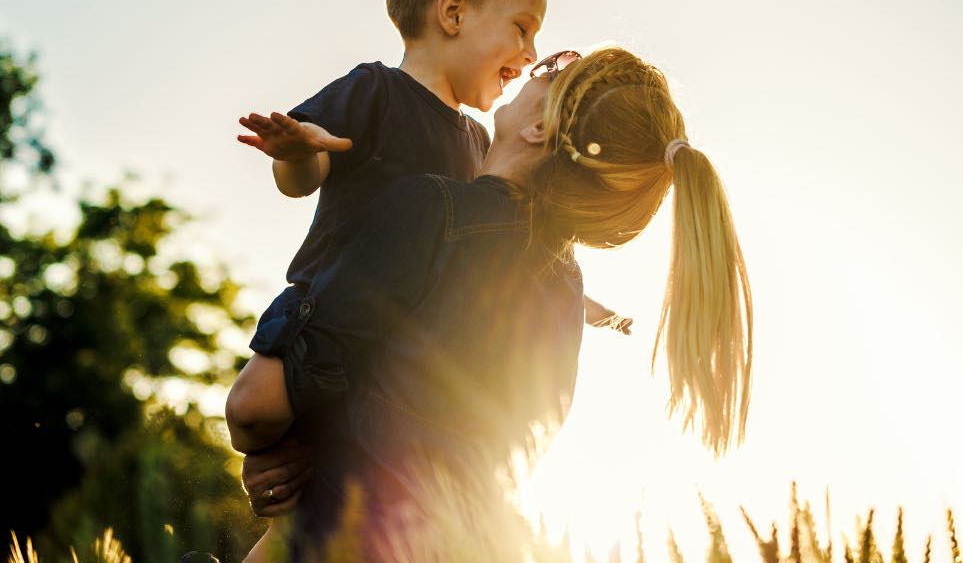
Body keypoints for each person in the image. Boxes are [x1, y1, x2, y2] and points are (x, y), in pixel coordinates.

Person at [225, 48, 753, 561]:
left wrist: (278, 454)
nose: (534, 66)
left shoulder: (428, 211)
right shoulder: (566, 293)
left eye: (554, 70)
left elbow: (254, 407)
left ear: (540, 129)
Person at [235, 0, 631, 357]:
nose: (531, 53)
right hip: (321, 323)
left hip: (400, 338)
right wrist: (297, 154)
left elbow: (494, 244)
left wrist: (586, 309)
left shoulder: (480, 141)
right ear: (454, 13)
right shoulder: (375, 90)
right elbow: (302, 179)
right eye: (521, 28)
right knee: (257, 408)